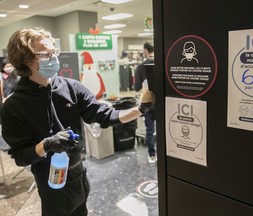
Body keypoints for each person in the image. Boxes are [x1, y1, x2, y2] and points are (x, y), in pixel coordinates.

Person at [1, 27, 155, 216]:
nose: (52, 57)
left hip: (78, 172)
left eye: (53, 52)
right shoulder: (14, 106)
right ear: (25, 59)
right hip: (50, 177)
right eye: (44, 54)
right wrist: (47, 145)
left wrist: (139, 110)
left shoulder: (71, 88)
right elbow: (20, 156)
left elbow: (104, 115)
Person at [134, 41, 156, 163]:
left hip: (148, 102)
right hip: (162, 102)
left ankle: (152, 155)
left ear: (146, 51)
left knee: (150, 129)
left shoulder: (141, 67)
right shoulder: (162, 63)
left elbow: (137, 87)